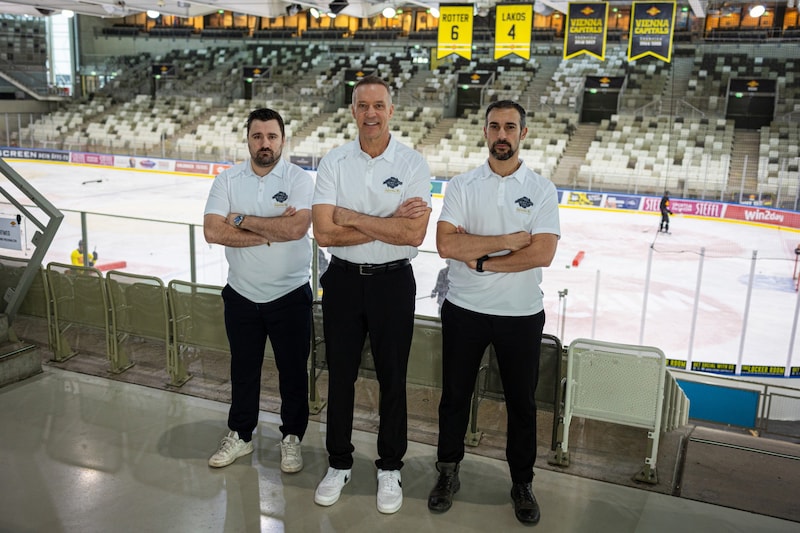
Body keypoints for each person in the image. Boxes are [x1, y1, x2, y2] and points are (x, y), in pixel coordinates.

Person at [427, 100, 560, 525]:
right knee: (455, 397)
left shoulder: (541, 189)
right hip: (464, 310)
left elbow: (543, 253)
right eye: (494, 127)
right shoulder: (463, 186)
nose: (501, 135)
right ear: (484, 132)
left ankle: (522, 482)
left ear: (523, 134)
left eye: (510, 127)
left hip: (521, 315)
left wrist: (483, 258)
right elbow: (447, 246)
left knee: (521, 404)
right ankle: (447, 472)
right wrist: (508, 240)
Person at [311, 75, 432, 514]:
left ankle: (389, 467)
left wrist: (351, 216)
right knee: (340, 375)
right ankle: (338, 462)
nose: (371, 113)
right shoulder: (334, 162)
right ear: (353, 112)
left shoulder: (414, 164)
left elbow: (414, 233)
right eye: (363, 106)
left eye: (379, 105)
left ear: (391, 111)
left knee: (392, 378)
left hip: (394, 283)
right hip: (342, 280)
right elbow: (324, 231)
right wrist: (385, 222)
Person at [203, 107, 314, 473]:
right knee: (243, 369)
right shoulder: (228, 180)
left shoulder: (299, 179)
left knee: (293, 372)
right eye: (257, 136)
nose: (264, 143)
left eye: (271, 136)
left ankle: (292, 438)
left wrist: (242, 220)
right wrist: (269, 232)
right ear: (248, 139)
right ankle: (241, 435)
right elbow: (213, 231)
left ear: (283, 140)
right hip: (242, 296)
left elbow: (295, 230)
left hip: (290, 295)